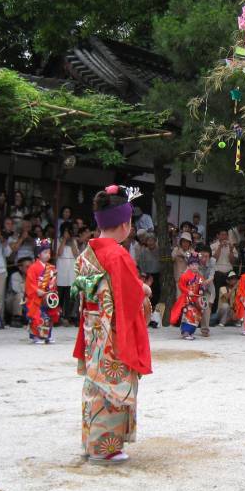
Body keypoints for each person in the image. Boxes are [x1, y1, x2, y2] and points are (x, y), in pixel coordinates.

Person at [72, 185, 151, 465]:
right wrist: (144, 291)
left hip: (93, 328)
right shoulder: (118, 255)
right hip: (113, 331)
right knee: (112, 386)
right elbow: (128, 297)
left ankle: (91, 442)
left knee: (95, 384)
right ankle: (105, 448)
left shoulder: (87, 253)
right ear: (126, 223)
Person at [25, 238, 59, 344]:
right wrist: (36, 290)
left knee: (49, 315)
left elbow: (53, 283)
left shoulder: (51, 268)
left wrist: (52, 291)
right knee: (38, 316)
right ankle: (36, 336)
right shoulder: (33, 268)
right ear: (38, 254)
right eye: (45, 252)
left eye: (49, 252)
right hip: (37, 296)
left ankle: (47, 336)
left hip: (47, 296)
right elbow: (30, 283)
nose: (48, 254)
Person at [170, 253, 204, 341]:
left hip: (195, 298)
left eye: (196, 264)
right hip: (187, 299)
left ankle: (190, 332)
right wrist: (188, 291)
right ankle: (185, 332)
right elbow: (181, 286)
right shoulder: (185, 275)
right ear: (189, 265)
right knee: (189, 314)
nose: (194, 266)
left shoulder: (199, 277)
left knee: (197, 315)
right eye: (192, 264)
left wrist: (201, 293)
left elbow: (201, 286)